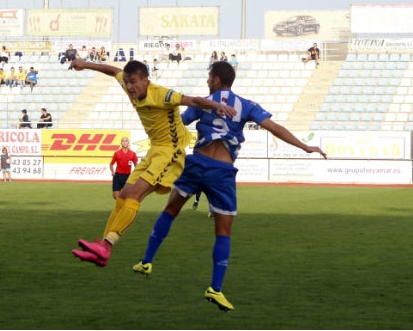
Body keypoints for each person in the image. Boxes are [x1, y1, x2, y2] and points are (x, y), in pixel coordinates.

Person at [132, 61, 327, 312]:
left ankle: (147, 261)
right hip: (222, 173)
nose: (206, 81)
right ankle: (215, 288)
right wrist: (305, 146)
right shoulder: (246, 105)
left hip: (196, 163)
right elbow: (275, 128)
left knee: (170, 210)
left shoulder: (204, 102)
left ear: (216, 79)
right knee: (223, 232)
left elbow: (177, 123)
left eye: (209, 77)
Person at [68, 59, 237, 268]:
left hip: (170, 152)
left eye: (134, 82)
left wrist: (217, 105)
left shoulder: (162, 94)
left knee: (136, 195)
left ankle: (107, 244)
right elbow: (113, 71)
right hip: (154, 149)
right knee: (123, 196)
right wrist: (85, 64)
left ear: (145, 81)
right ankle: (102, 249)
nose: (130, 86)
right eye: (128, 82)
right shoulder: (128, 84)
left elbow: (192, 101)